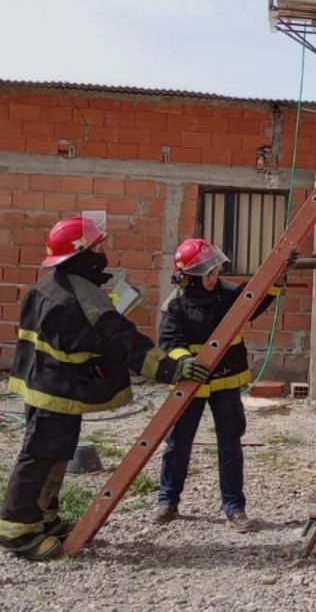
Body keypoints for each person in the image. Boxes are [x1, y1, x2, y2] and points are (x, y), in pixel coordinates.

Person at [0, 212, 210, 562]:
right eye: (98, 246)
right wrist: (172, 368)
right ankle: (18, 531)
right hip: (56, 390)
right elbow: (124, 341)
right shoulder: (81, 298)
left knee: (53, 455)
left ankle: (43, 519)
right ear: (81, 254)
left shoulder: (49, 284)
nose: (103, 251)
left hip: (44, 384)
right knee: (40, 457)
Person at [151, 238, 281, 532]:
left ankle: (234, 508)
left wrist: (278, 276)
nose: (215, 277)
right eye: (208, 272)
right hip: (190, 384)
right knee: (178, 444)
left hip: (226, 381)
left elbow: (255, 303)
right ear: (193, 277)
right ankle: (167, 501)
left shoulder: (228, 294)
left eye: (215, 270)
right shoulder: (175, 304)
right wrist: (186, 362)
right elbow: (169, 343)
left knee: (230, 445)